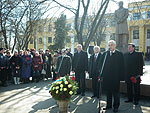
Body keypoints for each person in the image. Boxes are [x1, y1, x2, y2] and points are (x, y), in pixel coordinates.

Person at [100, 40, 124, 112]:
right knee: (108, 92)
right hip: (107, 77)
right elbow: (101, 65)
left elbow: (122, 66)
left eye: (111, 45)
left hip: (115, 77)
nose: (110, 46)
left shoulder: (119, 54)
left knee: (116, 93)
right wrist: (101, 75)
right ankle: (109, 105)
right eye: (109, 45)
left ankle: (116, 106)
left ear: (115, 45)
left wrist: (121, 77)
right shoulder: (105, 54)